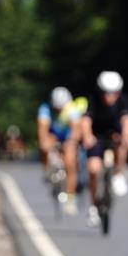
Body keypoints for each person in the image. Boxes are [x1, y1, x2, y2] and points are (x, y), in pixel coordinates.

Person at [84, 71, 128, 226]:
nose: (109, 97)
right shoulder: (93, 100)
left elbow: (127, 119)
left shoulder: (124, 100)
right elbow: (86, 120)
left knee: (122, 144)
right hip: (97, 137)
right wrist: (87, 137)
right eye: (106, 93)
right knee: (93, 170)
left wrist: (127, 136)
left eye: (113, 93)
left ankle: (118, 173)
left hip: (115, 134)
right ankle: (94, 206)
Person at [37, 87, 88, 216]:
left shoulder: (72, 108)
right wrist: (45, 141)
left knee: (70, 162)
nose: (58, 110)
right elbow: (43, 129)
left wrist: (71, 141)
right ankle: (46, 170)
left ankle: (70, 198)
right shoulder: (45, 109)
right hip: (53, 135)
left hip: (68, 136)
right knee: (44, 147)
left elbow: (76, 130)